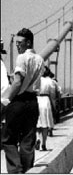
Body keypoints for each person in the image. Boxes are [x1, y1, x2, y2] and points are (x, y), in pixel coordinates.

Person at [2, 28, 45, 173]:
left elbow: (17, 82)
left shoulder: (21, 58)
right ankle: (27, 170)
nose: (17, 46)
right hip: (33, 102)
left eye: (20, 43)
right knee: (28, 139)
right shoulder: (40, 59)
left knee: (9, 139)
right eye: (16, 43)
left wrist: (5, 100)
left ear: (28, 42)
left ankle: (15, 171)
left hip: (18, 102)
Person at [36, 66, 55, 151]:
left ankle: (37, 138)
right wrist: (54, 105)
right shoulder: (50, 81)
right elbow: (52, 94)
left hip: (37, 99)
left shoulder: (36, 79)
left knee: (37, 122)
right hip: (46, 100)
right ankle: (44, 143)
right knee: (45, 124)